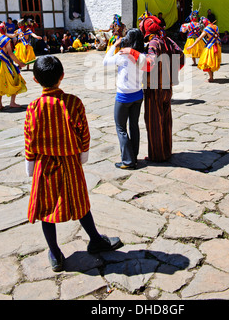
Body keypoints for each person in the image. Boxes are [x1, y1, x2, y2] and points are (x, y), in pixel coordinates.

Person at [24, 55, 122, 272]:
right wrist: (82, 154)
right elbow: (83, 132)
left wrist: (30, 163)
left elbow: (29, 139)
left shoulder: (34, 107)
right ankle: (95, 239)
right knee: (79, 202)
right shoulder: (73, 102)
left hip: (44, 166)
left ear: (35, 80)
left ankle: (55, 253)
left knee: (46, 209)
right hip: (70, 163)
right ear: (62, 77)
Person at [135, 15, 185, 162]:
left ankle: (157, 155)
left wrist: (134, 56)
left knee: (154, 122)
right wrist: (171, 72)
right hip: (167, 86)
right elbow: (181, 56)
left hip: (154, 88)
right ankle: (166, 151)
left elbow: (150, 61)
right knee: (166, 120)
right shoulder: (166, 39)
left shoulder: (153, 44)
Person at [103, 29, 146, 170]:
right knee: (134, 125)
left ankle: (128, 161)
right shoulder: (142, 55)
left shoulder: (122, 55)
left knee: (121, 127)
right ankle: (133, 155)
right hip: (138, 95)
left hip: (124, 96)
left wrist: (114, 45)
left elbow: (106, 62)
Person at [0, 22, 27, 110]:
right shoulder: (5, 39)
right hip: (5, 63)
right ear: (4, 29)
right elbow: (11, 54)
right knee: (16, 79)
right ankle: (12, 102)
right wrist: (20, 63)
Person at [186, 16, 221, 83]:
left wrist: (191, 46)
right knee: (212, 62)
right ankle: (211, 77)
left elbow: (199, 38)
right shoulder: (216, 27)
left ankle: (211, 78)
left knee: (207, 63)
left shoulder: (207, 29)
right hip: (217, 46)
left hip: (210, 47)